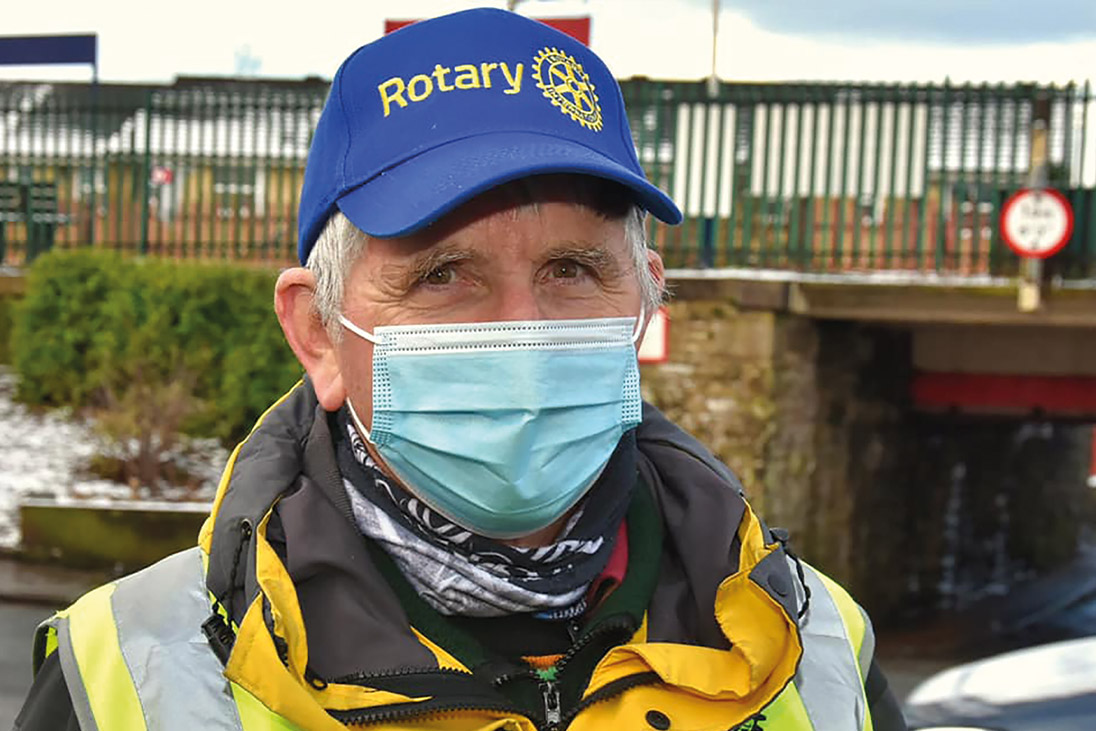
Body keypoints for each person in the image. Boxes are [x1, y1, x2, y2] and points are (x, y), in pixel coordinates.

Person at [16, 8, 906, 731]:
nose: (521, 334)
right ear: (319, 333)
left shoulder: (818, 650)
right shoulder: (135, 676)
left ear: (646, 299)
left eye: (573, 269)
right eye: (441, 275)